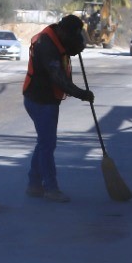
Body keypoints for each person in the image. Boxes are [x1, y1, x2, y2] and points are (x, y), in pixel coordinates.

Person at [22, 14, 94, 203]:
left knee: (44, 142)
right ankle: (50, 188)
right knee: (47, 144)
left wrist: (78, 45)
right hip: (39, 100)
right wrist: (82, 94)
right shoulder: (46, 45)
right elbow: (58, 79)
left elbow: (72, 48)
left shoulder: (61, 36)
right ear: (62, 31)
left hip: (47, 100)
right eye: (71, 37)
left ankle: (34, 184)